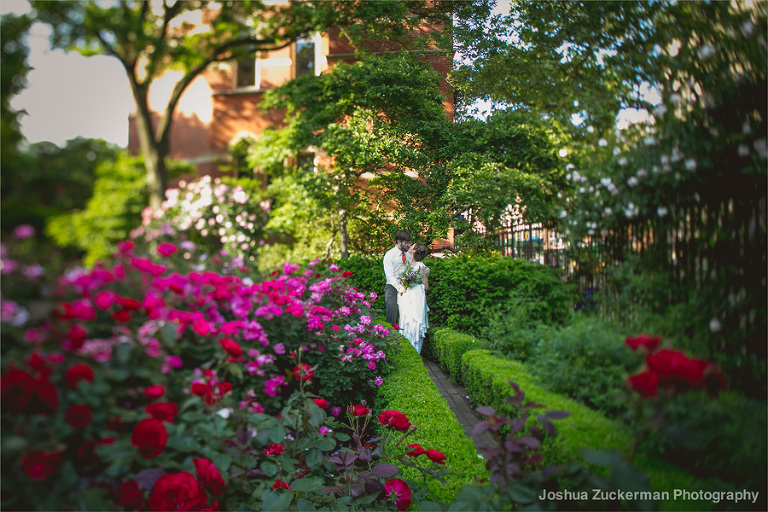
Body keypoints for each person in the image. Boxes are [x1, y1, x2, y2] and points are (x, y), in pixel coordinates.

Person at [397, 243, 430, 354]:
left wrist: (412, 284)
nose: (410, 246)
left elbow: (425, 286)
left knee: (414, 323)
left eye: (413, 246)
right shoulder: (407, 263)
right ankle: (405, 351)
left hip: (416, 298)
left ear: (415, 251)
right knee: (405, 322)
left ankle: (415, 351)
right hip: (406, 297)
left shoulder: (422, 267)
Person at [383, 230, 412, 326]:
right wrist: (400, 288)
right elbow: (389, 275)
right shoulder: (389, 255)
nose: (409, 246)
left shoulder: (408, 255)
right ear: (399, 242)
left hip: (407, 288)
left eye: (410, 243)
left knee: (406, 316)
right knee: (392, 315)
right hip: (392, 289)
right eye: (406, 243)